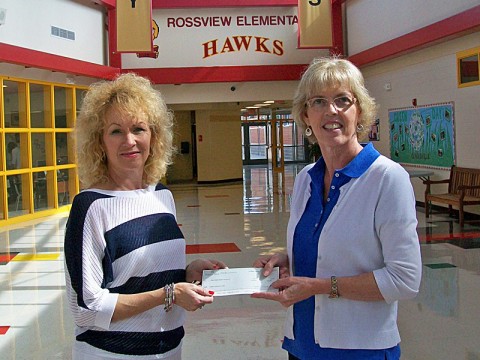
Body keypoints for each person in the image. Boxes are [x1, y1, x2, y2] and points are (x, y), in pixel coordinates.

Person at [252, 57, 422, 360]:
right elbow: (325, 249)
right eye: (319, 101)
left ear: (359, 111)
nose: (331, 110)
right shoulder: (306, 179)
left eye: (342, 100)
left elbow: (404, 280)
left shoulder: (387, 178)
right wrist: (287, 257)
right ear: (306, 115)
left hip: (359, 348)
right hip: (301, 344)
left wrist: (318, 286)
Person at [64, 73, 226, 360]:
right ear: (99, 142)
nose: (130, 140)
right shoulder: (90, 207)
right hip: (112, 354)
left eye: (138, 128)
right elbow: (86, 310)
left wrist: (190, 272)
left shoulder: (161, 196)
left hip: (170, 350)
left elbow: (148, 277)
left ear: (154, 136)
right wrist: (171, 294)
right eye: (115, 131)